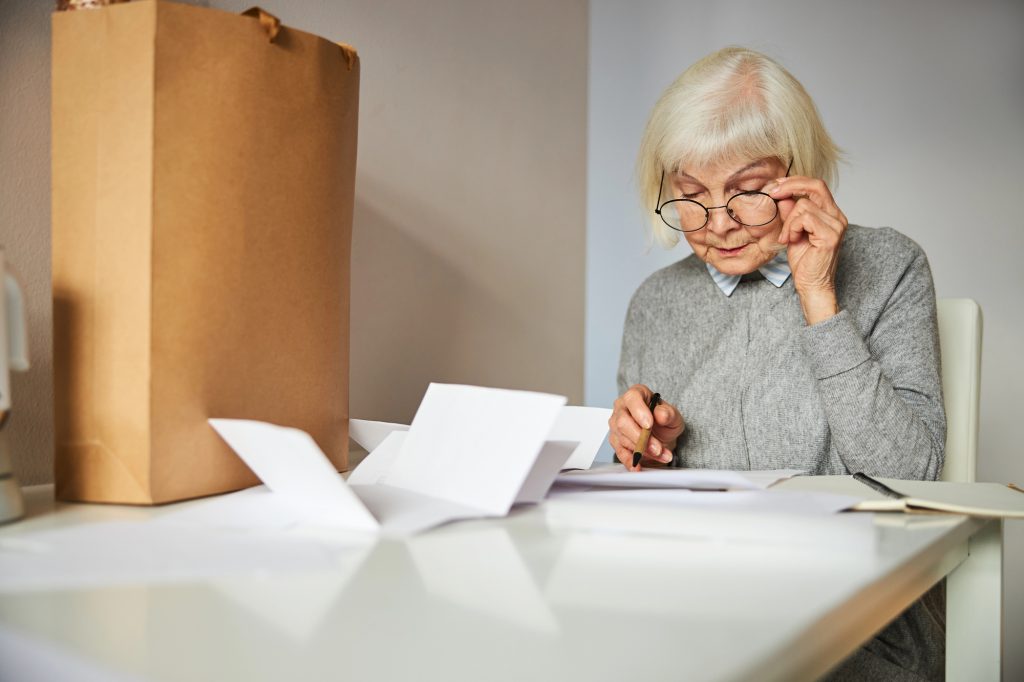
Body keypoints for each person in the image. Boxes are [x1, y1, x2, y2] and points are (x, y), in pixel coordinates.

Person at [608, 47, 946, 681]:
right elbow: (641, 508)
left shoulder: (891, 265)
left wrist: (819, 296)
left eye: (749, 191)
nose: (721, 224)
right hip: (692, 611)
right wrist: (648, 447)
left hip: (856, 622)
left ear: (801, 172)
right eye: (690, 196)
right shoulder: (655, 301)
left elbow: (913, 475)